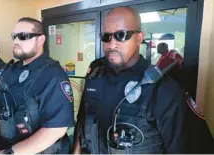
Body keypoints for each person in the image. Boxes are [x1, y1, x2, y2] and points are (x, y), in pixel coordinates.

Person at [72, 7, 214, 154]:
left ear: (139, 38)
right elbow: (82, 122)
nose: (112, 44)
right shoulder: (96, 72)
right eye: (106, 37)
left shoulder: (163, 90)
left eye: (122, 35)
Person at [0, 17, 74, 154]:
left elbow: (55, 129)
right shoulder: (9, 70)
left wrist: (9, 153)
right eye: (14, 36)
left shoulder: (53, 75)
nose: (15, 41)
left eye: (23, 36)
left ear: (40, 40)